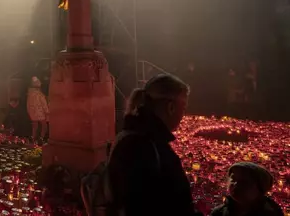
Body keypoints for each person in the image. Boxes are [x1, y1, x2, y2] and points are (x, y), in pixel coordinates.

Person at [108, 74, 201, 216]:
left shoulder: (131, 135)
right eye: (183, 108)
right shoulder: (145, 147)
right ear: (171, 107)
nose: (184, 114)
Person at [209, 162, 283, 216]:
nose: (236, 184)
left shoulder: (272, 213)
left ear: (260, 188)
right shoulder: (219, 212)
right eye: (233, 179)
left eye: (245, 182)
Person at [26, 75, 49, 143]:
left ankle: (33, 137)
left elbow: (28, 104)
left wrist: (29, 112)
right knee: (44, 125)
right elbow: (43, 104)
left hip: (32, 113)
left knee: (34, 126)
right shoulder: (39, 94)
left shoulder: (29, 94)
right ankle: (41, 138)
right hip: (40, 112)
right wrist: (47, 111)